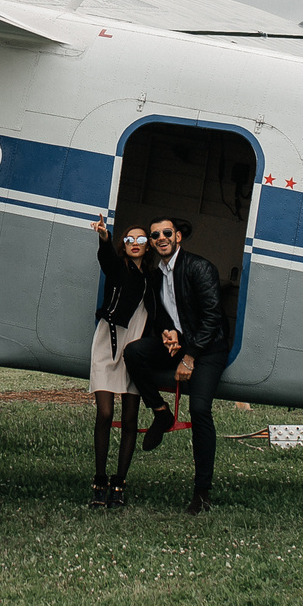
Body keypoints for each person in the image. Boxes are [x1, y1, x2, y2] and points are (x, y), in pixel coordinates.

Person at [132, 214, 228, 513]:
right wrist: (167, 333)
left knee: (199, 409)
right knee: (134, 354)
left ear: (178, 238)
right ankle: (161, 413)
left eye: (166, 233)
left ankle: (202, 493)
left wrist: (189, 357)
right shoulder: (155, 274)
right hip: (178, 342)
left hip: (208, 347)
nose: (160, 238)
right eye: (155, 234)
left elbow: (212, 319)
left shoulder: (200, 268)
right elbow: (161, 313)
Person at [86, 217, 153, 507]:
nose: (135, 244)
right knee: (104, 413)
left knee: (129, 419)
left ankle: (119, 483)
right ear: (123, 246)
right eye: (129, 240)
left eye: (140, 240)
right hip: (108, 341)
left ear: (148, 246)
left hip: (136, 346)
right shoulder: (117, 267)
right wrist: (104, 237)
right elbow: (106, 259)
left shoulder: (155, 276)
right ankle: (99, 479)